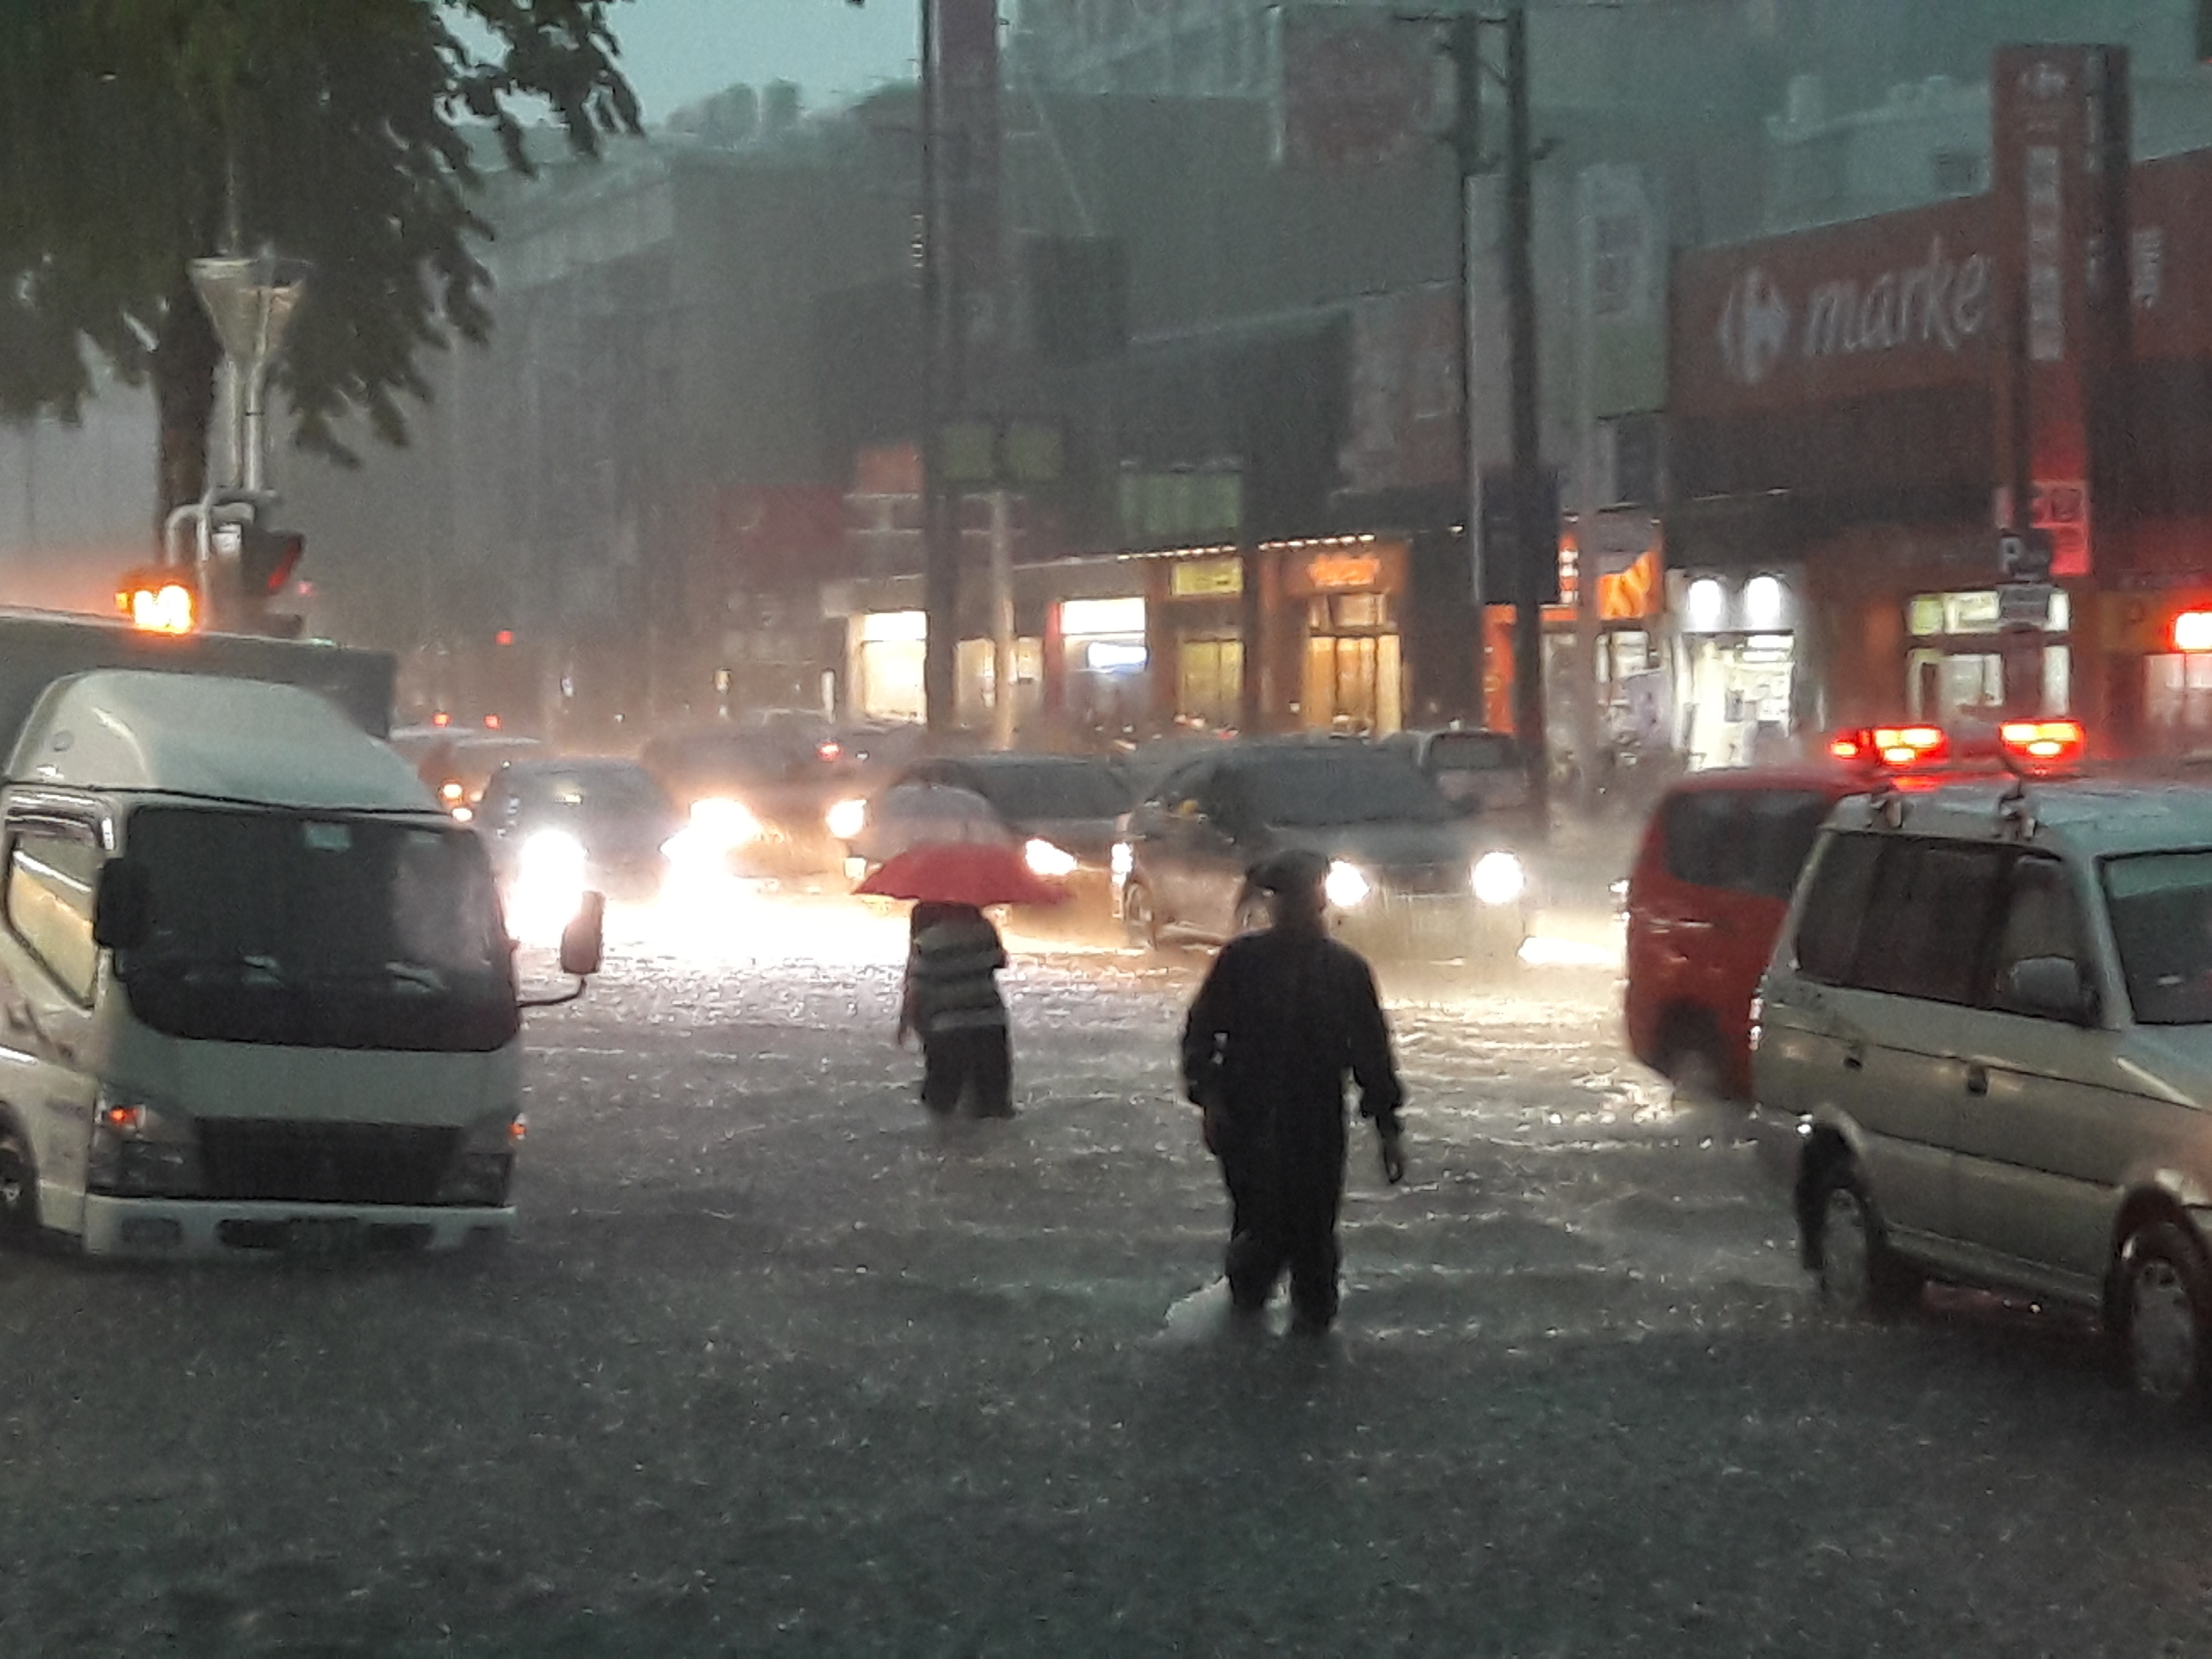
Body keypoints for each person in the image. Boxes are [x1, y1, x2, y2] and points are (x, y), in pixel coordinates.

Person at [1180, 848, 1406, 1333]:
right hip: (1248, 1119)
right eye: (1286, 901)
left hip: (1316, 1121)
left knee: (1314, 1243)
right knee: (1259, 1235)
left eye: (1306, 900)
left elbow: (1372, 1054)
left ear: (1320, 902)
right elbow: (1200, 1037)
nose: (1298, 911)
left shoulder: (1345, 971)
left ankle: (1309, 1352)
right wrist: (1212, 1101)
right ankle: (1245, 1338)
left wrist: (1388, 1128)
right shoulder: (1241, 963)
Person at [896, 901, 1014, 1118]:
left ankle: (946, 1149)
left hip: (948, 1028)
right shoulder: (985, 930)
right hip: (990, 1023)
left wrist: (911, 1025)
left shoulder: (929, 941)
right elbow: (1000, 960)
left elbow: (918, 991)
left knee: (942, 1104)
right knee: (994, 1106)